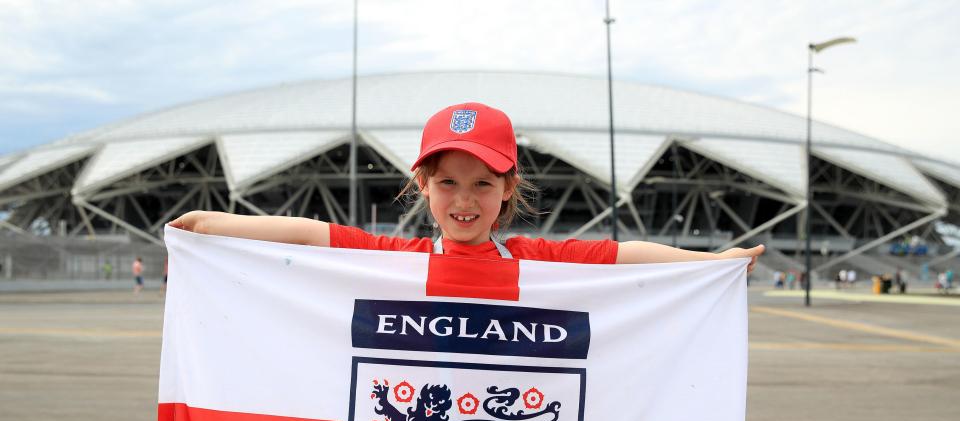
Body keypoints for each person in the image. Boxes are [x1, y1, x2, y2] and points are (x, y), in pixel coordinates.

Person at [171, 102, 763, 274]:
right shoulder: (397, 258)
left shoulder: (535, 258)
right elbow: (309, 233)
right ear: (422, 186)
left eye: (483, 183)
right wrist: (211, 224)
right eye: (448, 182)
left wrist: (707, 260)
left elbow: (624, 253)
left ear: (509, 189)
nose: (463, 200)